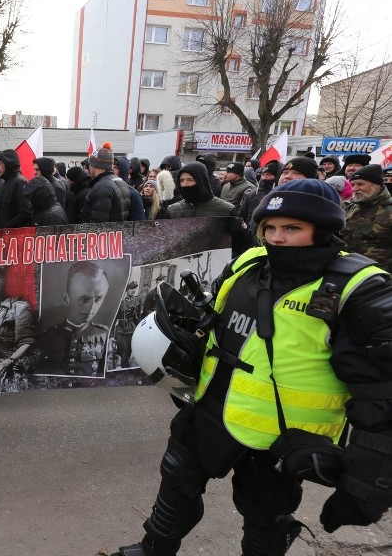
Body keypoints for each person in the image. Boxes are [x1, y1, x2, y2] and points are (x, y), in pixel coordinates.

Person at [112, 178, 392, 556]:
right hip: (211, 408)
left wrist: (364, 489)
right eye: (270, 227)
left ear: (324, 230)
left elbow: (382, 397)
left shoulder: (361, 289)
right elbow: (213, 322)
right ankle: (153, 549)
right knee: (177, 481)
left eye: (292, 228)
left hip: (284, 437)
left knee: (263, 515)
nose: (276, 238)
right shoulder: (249, 263)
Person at [33, 262, 112, 377]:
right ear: (66, 299)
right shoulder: (44, 339)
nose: (91, 308)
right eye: (84, 299)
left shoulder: (105, 335)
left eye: (98, 299)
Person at [165, 162, 253, 255]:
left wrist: (240, 231)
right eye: (182, 180)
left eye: (190, 180)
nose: (185, 184)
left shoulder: (226, 209)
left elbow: (243, 244)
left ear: (201, 181)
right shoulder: (172, 210)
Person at [340, 164, 392, 272]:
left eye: (360, 184)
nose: (355, 189)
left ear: (376, 184)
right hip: (346, 271)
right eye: (353, 185)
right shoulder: (348, 207)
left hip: (379, 276)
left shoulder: (389, 209)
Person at [82, 142, 129, 222]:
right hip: (116, 232)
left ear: (93, 165)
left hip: (106, 234)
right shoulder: (120, 181)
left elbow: (97, 225)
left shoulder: (101, 187)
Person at [0, 149, 31, 228]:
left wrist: (6, 227)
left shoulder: (20, 182)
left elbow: (25, 213)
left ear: (8, 163)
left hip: (12, 236)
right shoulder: (3, 182)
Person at [112, 281, 141, 370]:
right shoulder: (120, 302)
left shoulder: (136, 300)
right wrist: (111, 335)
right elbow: (114, 319)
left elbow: (138, 315)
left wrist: (139, 328)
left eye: (134, 288)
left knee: (129, 350)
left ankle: (125, 366)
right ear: (126, 290)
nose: (133, 290)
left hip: (132, 327)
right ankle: (120, 366)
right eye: (131, 289)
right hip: (121, 329)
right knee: (121, 350)